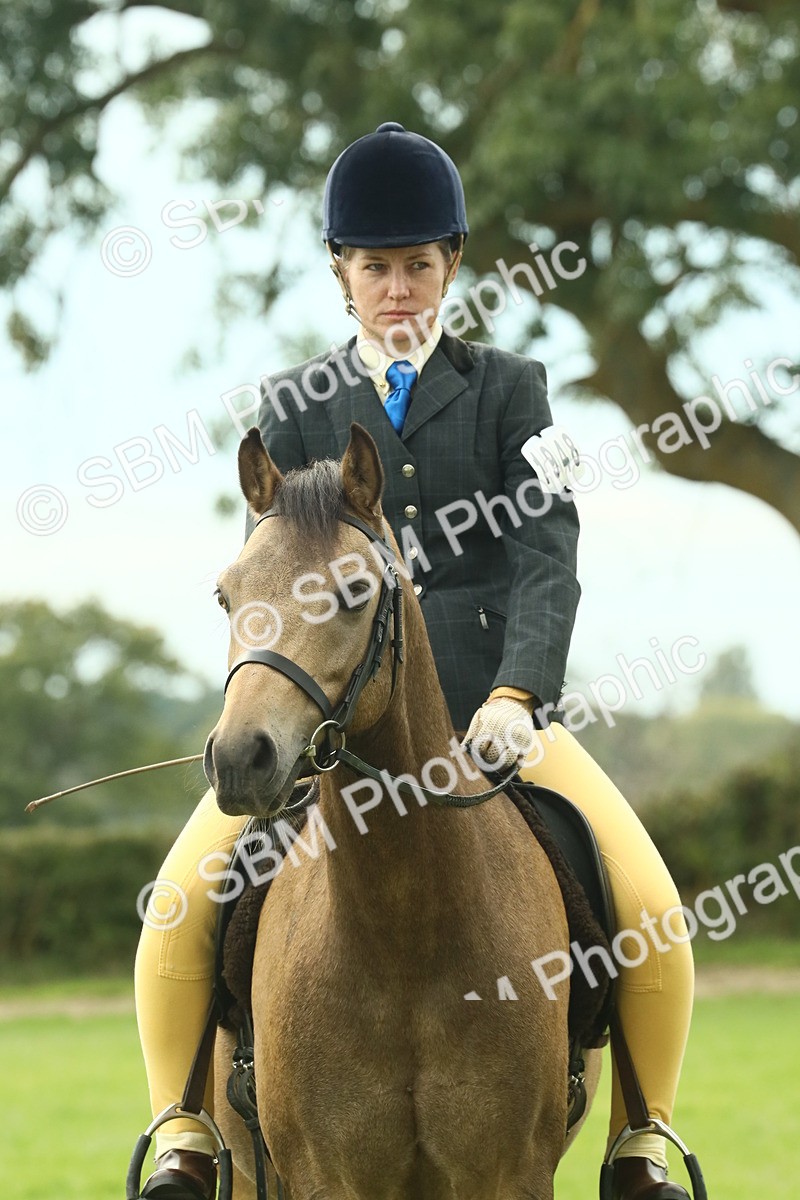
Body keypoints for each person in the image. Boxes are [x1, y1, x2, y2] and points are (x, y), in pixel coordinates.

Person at [135, 122, 695, 1200]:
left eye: (418, 266)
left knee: (650, 903)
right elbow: (276, 569)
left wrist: (518, 694)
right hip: (328, 727)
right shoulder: (295, 407)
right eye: (376, 268)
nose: (398, 289)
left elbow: (546, 552)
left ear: (451, 269)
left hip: (493, 716)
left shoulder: (510, 391)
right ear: (341, 276)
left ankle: (641, 1139)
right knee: (179, 900)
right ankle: (185, 1134)